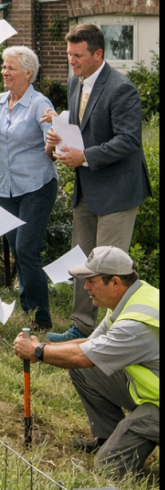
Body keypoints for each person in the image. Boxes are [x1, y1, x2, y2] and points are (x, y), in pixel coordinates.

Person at [44, 23, 152, 342]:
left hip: (118, 192)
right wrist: (58, 133)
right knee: (83, 260)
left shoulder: (121, 88)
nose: (72, 61)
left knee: (109, 268)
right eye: (69, 55)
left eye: (77, 56)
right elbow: (81, 128)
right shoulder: (75, 82)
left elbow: (129, 140)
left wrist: (85, 156)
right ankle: (81, 325)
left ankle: (114, 334)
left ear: (98, 54)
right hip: (86, 191)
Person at [13, 246, 159, 477]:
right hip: (152, 396)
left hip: (156, 403)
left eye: (91, 280)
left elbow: (83, 356)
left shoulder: (135, 325)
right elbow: (90, 344)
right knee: (84, 371)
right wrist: (40, 347)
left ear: (115, 283)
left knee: (109, 468)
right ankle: (107, 437)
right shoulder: (133, 298)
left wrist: (39, 352)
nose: (86, 287)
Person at [0, 46, 58, 329]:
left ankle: (42, 319)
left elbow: (52, 147)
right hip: (6, 189)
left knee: (28, 249)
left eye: (11, 68)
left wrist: (54, 143)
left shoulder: (40, 104)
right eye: (3, 67)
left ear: (28, 73)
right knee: (18, 249)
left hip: (37, 187)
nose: (4, 72)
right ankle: (28, 308)